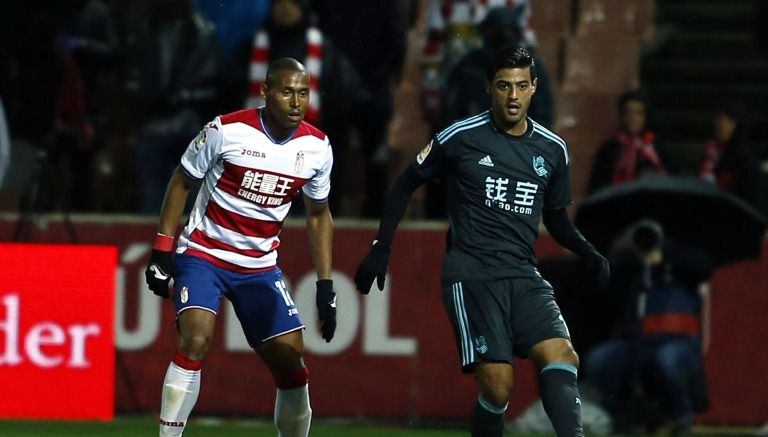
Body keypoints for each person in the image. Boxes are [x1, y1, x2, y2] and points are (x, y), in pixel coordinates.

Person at [354, 46, 610, 437]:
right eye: (504, 86)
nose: (513, 96)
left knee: (562, 356)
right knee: (498, 385)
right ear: (489, 87)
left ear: (534, 88)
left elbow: (555, 219)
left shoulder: (552, 150)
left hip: (523, 274)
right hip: (472, 274)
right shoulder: (462, 137)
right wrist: (381, 248)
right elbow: (406, 182)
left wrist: (588, 251)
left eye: (521, 86)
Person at [143, 58, 337, 437]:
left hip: (259, 266)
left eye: (302, 93)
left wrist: (326, 285)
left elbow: (318, 214)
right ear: (264, 93)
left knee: (290, 359)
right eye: (286, 92)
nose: (296, 102)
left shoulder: (317, 148)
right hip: (204, 255)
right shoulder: (226, 130)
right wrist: (162, 251)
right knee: (196, 337)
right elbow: (182, 182)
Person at [584, 219, 713, 435]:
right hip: (636, 342)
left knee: (667, 360)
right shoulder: (631, 266)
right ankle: (622, 419)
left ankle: (679, 418)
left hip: (678, 341)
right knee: (600, 360)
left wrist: (665, 255)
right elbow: (606, 291)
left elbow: (704, 266)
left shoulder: (681, 262)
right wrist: (621, 252)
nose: (647, 241)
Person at [587, 89, 666, 194]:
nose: (633, 118)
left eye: (638, 113)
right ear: (622, 116)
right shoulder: (610, 149)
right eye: (628, 113)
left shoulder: (656, 149)